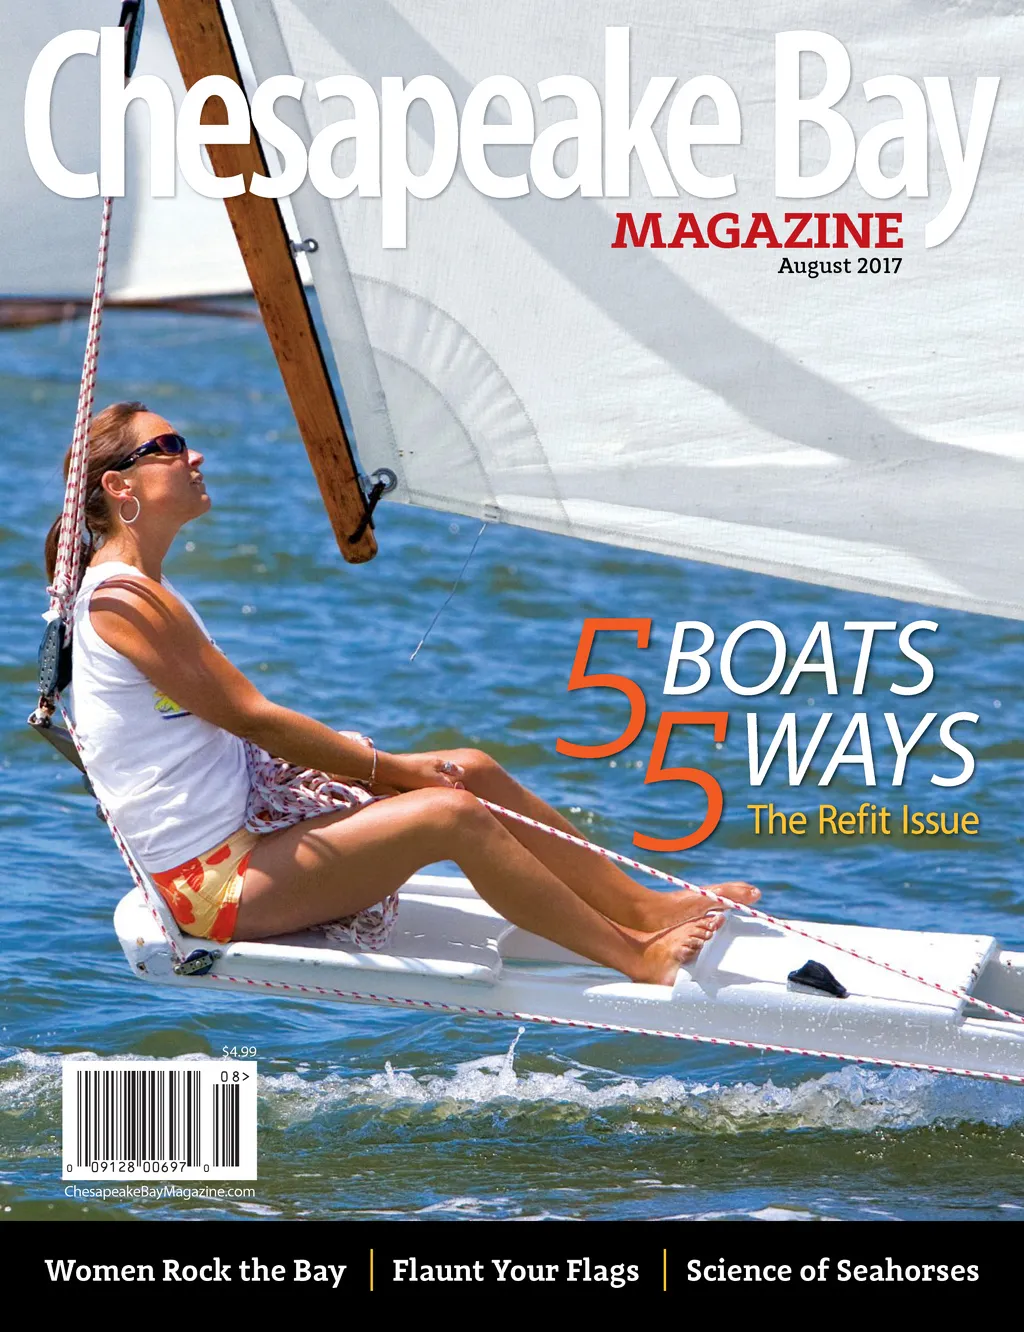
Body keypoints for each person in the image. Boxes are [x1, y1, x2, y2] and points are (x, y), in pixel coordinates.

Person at [45, 402, 760, 985]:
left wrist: (396, 771)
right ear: (120, 486)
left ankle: (643, 907)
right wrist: (394, 772)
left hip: (243, 840)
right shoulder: (124, 602)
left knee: (469, 770)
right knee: (449, 813)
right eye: (169, 447)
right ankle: (634, 957)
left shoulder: (144, 590)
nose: (194, 456)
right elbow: (255, 720)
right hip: (212, 887)